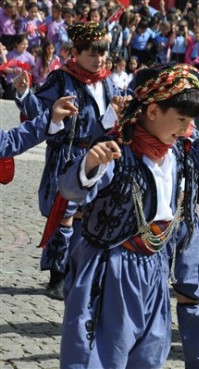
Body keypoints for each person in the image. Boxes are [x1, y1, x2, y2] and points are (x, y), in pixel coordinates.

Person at [56, 63, 199, 368]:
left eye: (190, 121)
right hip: (113, 268)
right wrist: (88, 166)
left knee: (150, 352)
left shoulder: (179, 151)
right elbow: (71, 190)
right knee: (105, 353)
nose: (187, 128)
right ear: (153, 111)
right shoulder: (117, 151)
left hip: (155, 267)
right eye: (181, 119)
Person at [10, 22, 119, 300]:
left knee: (87, 215)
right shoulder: (62, 79)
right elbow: (41, 113)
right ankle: (56, 274)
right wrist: (24, 95)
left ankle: (78, 270)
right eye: (92, 54)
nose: (99, 59)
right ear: (76, 53)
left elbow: (107, 120)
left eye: (102, 54)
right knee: (64, 216)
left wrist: (115, 117)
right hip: (67, 155)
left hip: (95, 156)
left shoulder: (107, 81)